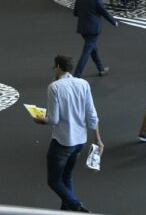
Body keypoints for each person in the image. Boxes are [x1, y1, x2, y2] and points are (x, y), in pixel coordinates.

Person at [34, 55, 104, 212]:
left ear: (58, 66)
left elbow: (53, 119)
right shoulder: (83, 84)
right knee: (67, 176)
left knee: (54, 181)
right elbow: (92, 114)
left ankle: (76, 205)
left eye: (54, 67)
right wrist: (98, 140)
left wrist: (41, 119)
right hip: (80, 141)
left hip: (63, 141)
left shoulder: (54, 87)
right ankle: (67, 210)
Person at [72, 0, 118, 77]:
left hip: (82, 29)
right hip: (93, 29)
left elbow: (75, 13)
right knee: (87, 51)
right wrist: (114, 22)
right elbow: (104, 12)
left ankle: (101, 68)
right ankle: (76, 74)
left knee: (93, 49)